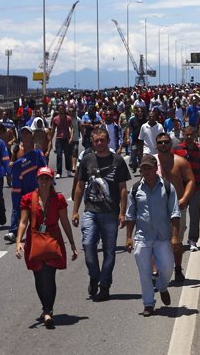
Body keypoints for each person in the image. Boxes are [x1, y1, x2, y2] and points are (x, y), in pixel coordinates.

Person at [15, 166, 78, 329]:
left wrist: (71, 243)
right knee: (38, 276)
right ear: (37, 180)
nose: (44, 182)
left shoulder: (59, 199)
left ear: (52, 181)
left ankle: (48, 310)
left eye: (47, 179)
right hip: (34, 238)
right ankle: (45, 307)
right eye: (41, 178)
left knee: (49, 275)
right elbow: (23, 221)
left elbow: (64, 222)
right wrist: (18, 241)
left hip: (52, 238)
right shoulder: (28, 198)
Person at [72, 128, 130, 301]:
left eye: (102, 140)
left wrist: (122, 212)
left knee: (109, 252)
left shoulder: (117, 161)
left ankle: (105, 286)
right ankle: (94, 275)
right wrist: (75, 210)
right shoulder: (87, 159)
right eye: (96, 141)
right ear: (92, 141)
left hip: (110, 213)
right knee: (88, 244)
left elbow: (123, 189)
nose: (99, 143)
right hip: (90, 210)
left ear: (108, 140)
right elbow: (80, 186)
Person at [125, 154, 182, 316]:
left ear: (155, 168)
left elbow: (175, 213)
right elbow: (131, 215)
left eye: (149, 168)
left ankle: (163, 286)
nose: (146, 171)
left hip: (163, 237)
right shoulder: (136, 189)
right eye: (143, 168)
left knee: (167, 268)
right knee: (144, 273)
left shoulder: (167, 187)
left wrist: (175, 236)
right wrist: (129, 237)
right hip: (143, 237)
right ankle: (148, 304)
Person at [153, 132, 195, 282]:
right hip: (156, 208)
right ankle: (156, 271)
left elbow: (190, 180)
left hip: (177, 208)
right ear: (155, 145)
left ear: (171, 144)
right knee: (155, 240)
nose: (163, 145)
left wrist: (184, 199)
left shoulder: (180, 161)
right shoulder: (151, 162)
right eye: (160, 142)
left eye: (166, 142)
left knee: (177, 240)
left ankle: (177, 269)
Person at [173, 126, 200, 252]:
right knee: (178, 216)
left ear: (195, 136)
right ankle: (177, 239)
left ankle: (193, 240)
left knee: (195, 216)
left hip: (197, 189)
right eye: (186, 135)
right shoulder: (176, 150)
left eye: (191, 135)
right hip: (180, 189)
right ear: (183, 135)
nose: (189, 137)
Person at [6, 126, 47, 242]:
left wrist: (47, 187)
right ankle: (13, 231)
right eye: (23, 134)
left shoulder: (38, 154)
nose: (25, 136)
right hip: (23, 190)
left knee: (42, 214)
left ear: (32, 136)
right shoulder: (17, 152)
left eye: (28, 133)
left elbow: (44, 170)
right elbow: (12, 167)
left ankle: (43, 232)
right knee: (17, 208)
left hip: (37, 190)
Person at [50, 103, 74, 178]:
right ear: (58, 110)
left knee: (67, 155)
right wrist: (51, 140)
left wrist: (71, 138)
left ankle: (69, 171)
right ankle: (59, 172)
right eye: (60, 109)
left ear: (64, 109)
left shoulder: (68, 118)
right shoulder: (55, 119)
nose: (61, 110)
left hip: (66, 138)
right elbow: (53, 129)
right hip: (59, 139)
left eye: (62, 109)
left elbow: (72, 128)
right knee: (59, 155)